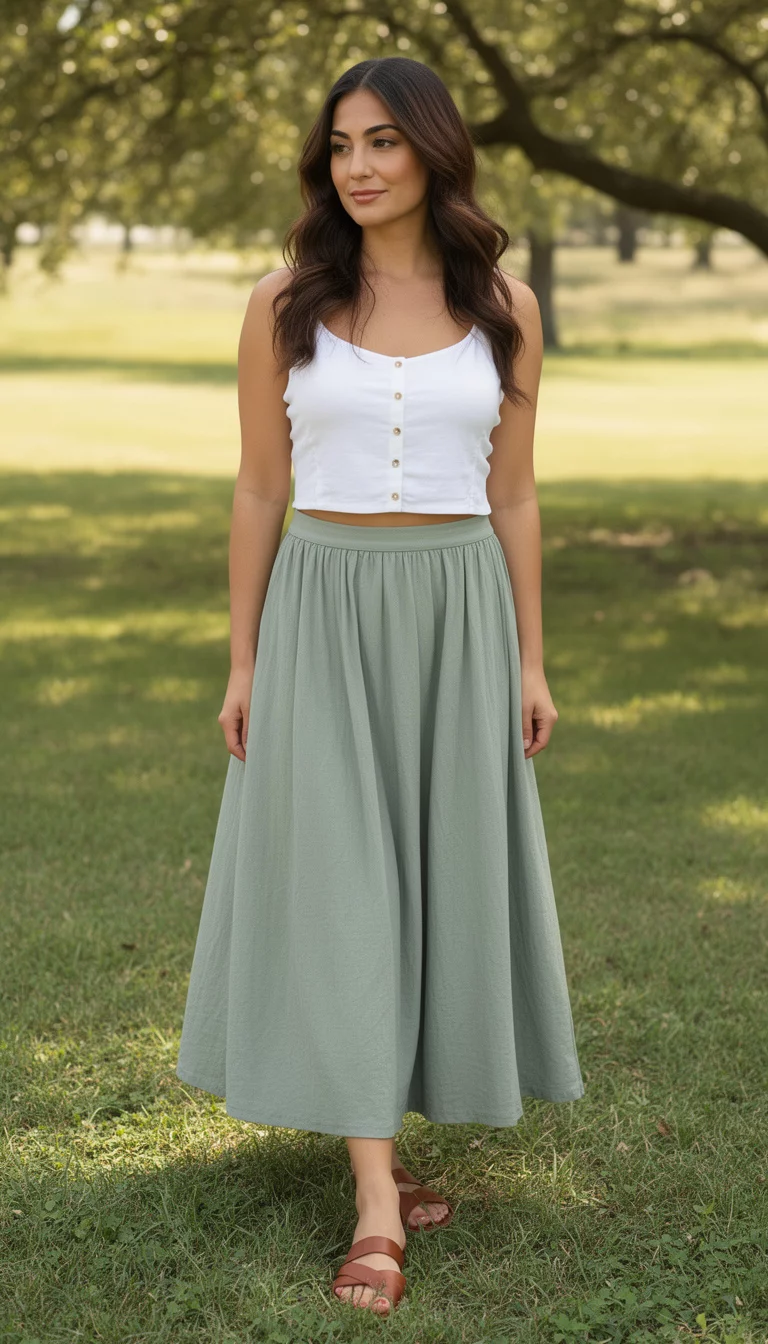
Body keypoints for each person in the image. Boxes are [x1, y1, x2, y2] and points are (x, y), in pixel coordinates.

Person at [176, 55, 585, 1317]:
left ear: (432, 154)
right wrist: (245, 659)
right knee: (349, 886)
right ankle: (372, 1205)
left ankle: (382, 1153)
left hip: (459, 616)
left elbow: (513, 494)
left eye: (383, 144)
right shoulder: (284, 300)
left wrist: (527, 654)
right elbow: (259, 487)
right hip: (323, 611)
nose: (357, 165)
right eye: (341, 144)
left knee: (432, 876)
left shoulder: (502, 304)